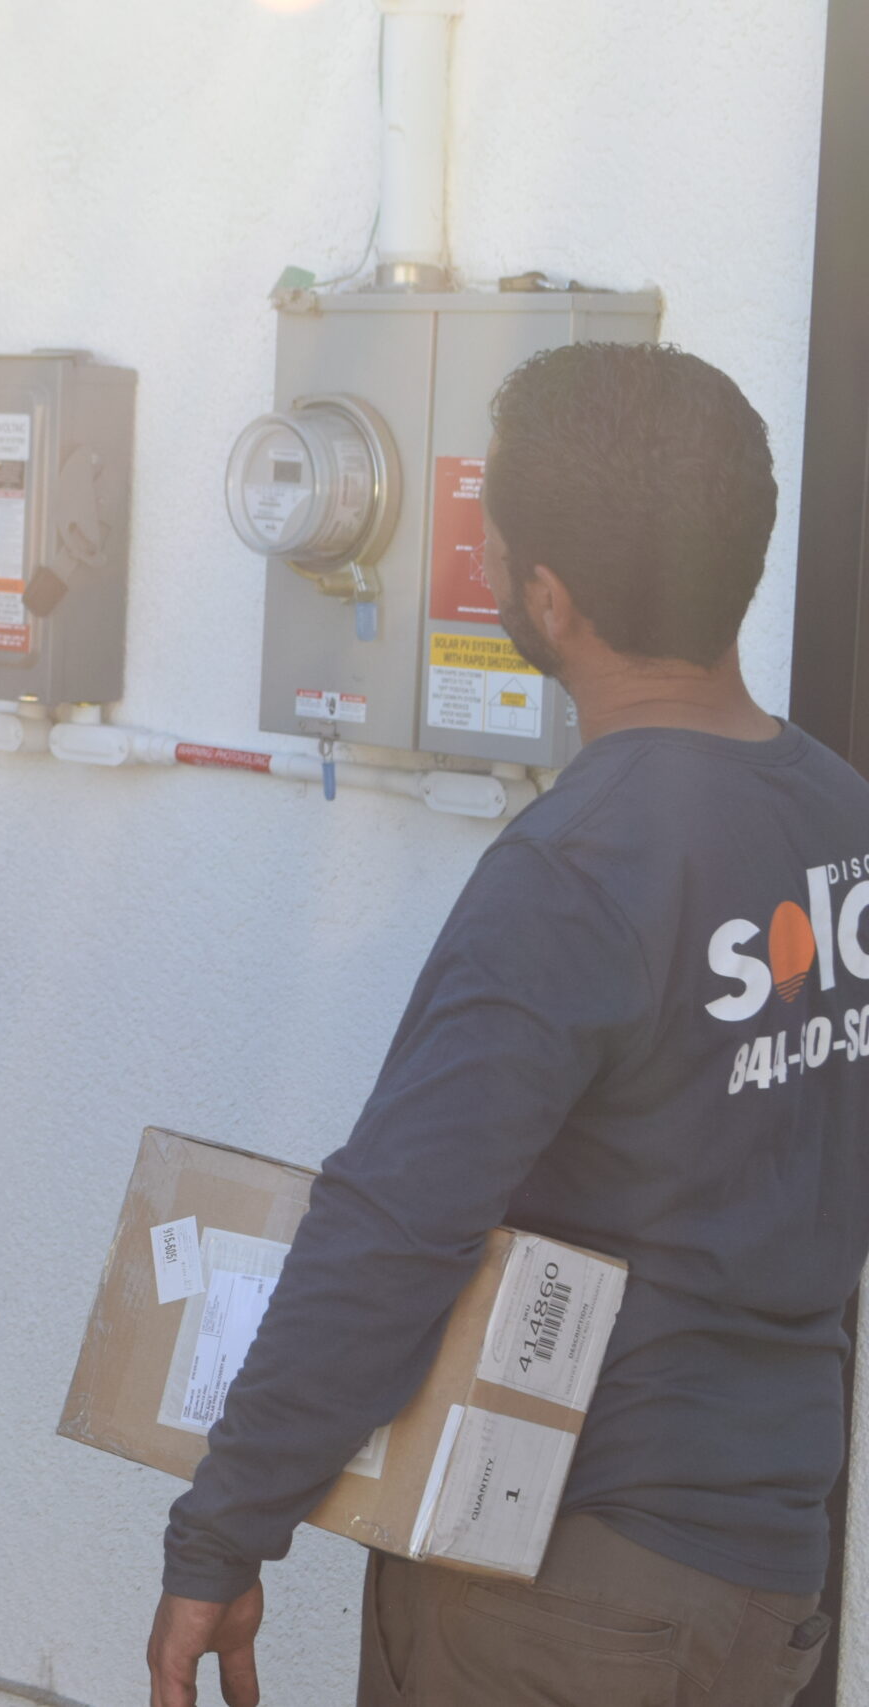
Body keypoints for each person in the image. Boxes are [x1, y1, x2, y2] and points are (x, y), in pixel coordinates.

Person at [146, 342, 869, 1707]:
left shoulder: (577, 867)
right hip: (770, 1581)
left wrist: (225, 1528)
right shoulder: (842, 821)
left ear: (547, 597)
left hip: (565, 1579)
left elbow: (396, 1227)